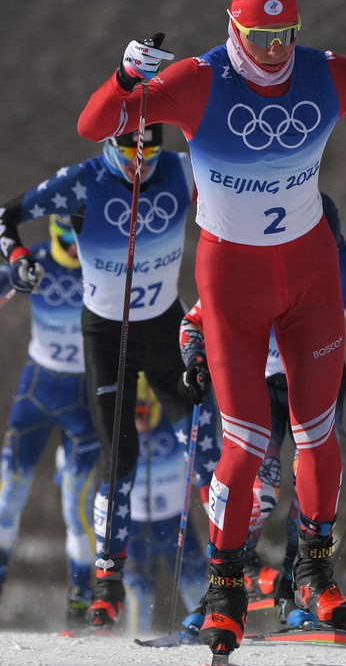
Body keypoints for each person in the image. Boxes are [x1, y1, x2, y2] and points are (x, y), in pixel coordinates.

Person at [76, 0, 346, 653]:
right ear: (232, 26)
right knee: (244, 442)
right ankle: (226, 587)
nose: (273, 48)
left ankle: (314, 570)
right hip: (232, 281)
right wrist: (127, 79)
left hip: (309, 274)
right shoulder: (197, 81)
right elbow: (94, 122)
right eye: (259, 34)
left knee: (318, 433)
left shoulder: (326, 73)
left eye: (285, 33)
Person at [0, 125, 214, 629]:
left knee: (203, 442)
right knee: (105, 457)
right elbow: (8, 214)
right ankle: (103, 582)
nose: (140, 168)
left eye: (149, 158)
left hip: (161, 327)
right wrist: (15, 259)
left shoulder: (181, 170)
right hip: (93, 347)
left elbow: (243, 193)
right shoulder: (80, 184)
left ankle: (229, 578)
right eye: (128, 158)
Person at [178, 193, 346, 630]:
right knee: (260, 488)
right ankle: (229, 579)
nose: (320, 261)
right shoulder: (263, 260)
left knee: (311, 481)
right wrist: (196, 361)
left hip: (316, 374)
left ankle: (304, 582)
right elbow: (194, 321)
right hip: (258, 380)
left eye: (329, 250)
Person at [0, 216, 100, 626]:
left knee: (76, 505)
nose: (76, 252)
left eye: (81, 242)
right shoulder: (36, 262)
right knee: (8, 497)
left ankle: (82, 598)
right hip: (36, 389)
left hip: (83, 397)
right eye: (68, 243)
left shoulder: (101, 263)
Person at [124, 373, 216, 634]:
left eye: (144, 411)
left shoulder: (169, 418)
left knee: (195, 580)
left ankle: (207, 629)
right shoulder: (120, 424)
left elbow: (202, 445)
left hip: (175, 518)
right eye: (135, 411)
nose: (140, 419)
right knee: (138, 588)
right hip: (135, 522)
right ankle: (134, 641)